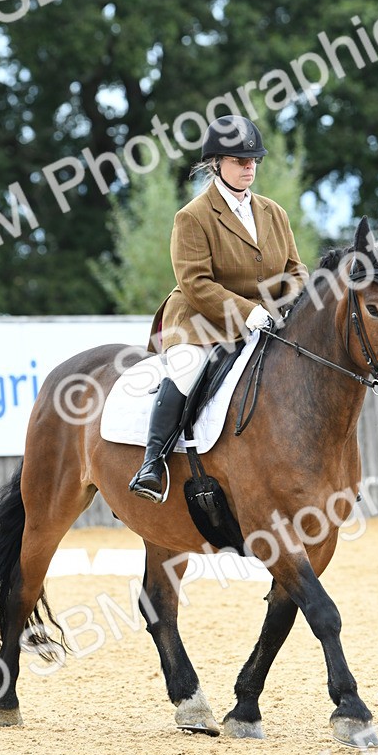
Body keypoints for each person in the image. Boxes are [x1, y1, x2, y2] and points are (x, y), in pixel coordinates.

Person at [129, 113, 308, 502]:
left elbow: (296, 270)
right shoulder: (192, 216)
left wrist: (286, 304)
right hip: (202, 321)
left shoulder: (274, 213)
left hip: (267, 320)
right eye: (239, 161)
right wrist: (249, 313)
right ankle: (152, 464)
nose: (248, 167)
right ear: (216, 163)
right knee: (187, 370)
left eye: (253, 160)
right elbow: (196, 282)